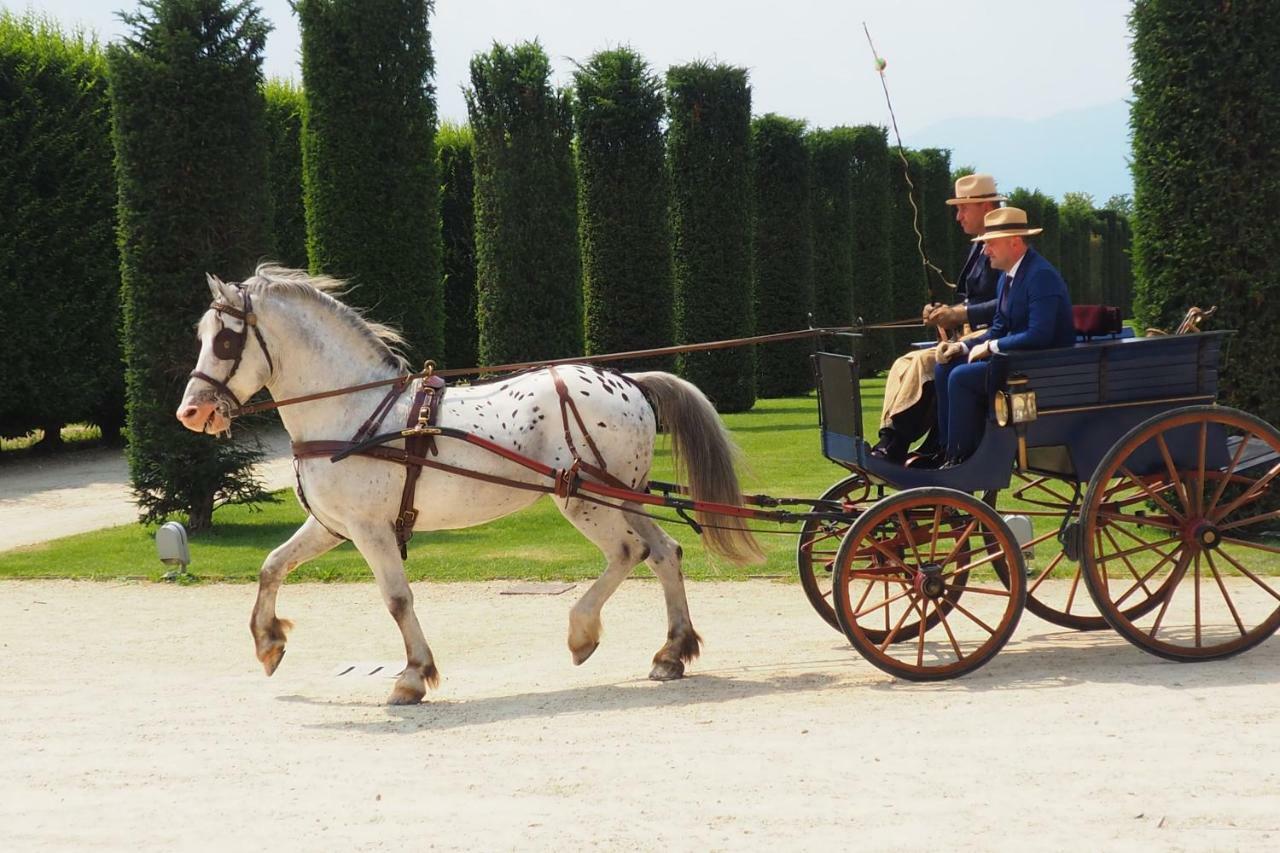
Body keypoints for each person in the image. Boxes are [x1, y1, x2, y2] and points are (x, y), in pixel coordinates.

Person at [871, 173, 1005, 463]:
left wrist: (959, 313)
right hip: (969, 336)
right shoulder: (978, 245)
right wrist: (946, 314)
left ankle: (903, 445)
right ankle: (891, 437)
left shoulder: (1004, 246)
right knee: (902, 362)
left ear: (985, 206)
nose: (958, 217)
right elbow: (976, 298)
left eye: (962, 208)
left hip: (989, 341)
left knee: (924, 362)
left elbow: (1009, 303)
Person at [933, 206, 1076, 467]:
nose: (985, 250)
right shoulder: (1007, 278)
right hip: (1016, 364)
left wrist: (989, 346)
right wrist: (961, 348)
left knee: (961, 378)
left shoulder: (1040, 276)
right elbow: (998, 327)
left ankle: (961, 460)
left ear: (1015, 242)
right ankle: (946, 450)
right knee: (945, 367)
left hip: (1043, 371)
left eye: (990, 244)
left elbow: (1039, 335)